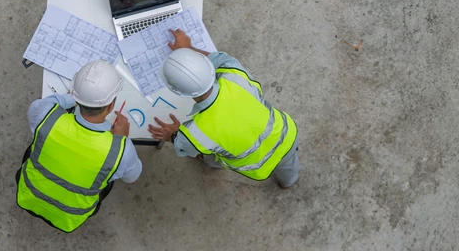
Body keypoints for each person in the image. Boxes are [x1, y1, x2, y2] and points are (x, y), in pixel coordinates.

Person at [147, 29, 300, 188]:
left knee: (213, 155)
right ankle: (288, 181)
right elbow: (219, 59)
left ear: (176, 91)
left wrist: (172, 135)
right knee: (289, 164)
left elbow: (186, 147)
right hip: (285, 135)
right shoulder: (234, 73)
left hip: (256, 164)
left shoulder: (195, 133)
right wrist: (188, 50)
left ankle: (213, 163)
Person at [16, 60, 142, 232]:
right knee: (108, 176)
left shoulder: (44, 114)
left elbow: (47, 104)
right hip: (70, 216)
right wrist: (120, 139)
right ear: (112, 105)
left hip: (28, 194)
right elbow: (131, 177)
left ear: (75, 96)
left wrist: (72, 97)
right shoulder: (121, 151)